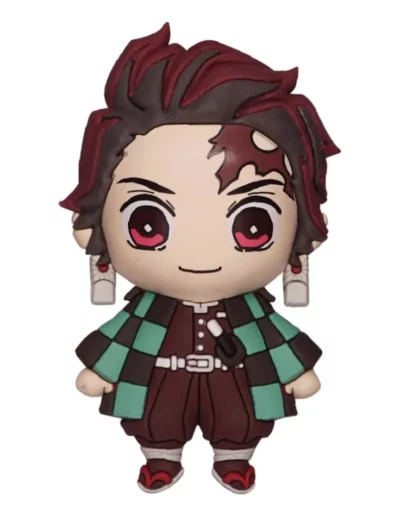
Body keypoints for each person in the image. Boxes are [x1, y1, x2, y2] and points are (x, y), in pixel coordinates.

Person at [60, 23, 340, 494]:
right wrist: (101, 370)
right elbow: (122, 339)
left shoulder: (252, 313)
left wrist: (297, 370)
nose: (200, 250)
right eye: (148, 224)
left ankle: (235, 457)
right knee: (156, 416)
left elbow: (274, 339)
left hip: (234, 378)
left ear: (305, 233)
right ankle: (160, 456)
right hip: (162, 378)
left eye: (253, 225)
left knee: (239, 417)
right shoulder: (148, 313)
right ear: (92, 226)